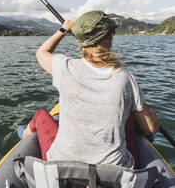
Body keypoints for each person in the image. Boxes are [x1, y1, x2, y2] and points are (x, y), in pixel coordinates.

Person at [22, 10, 159, 168]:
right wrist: (153, 118)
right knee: (131, 120)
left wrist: (63, 29)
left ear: (80, 40)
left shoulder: (64, 67)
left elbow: (41, 52)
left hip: (61, 167)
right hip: (113, 172)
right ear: (107, 37)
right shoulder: (125, 77)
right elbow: (150, 128)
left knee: (40, 115)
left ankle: (24, 135)